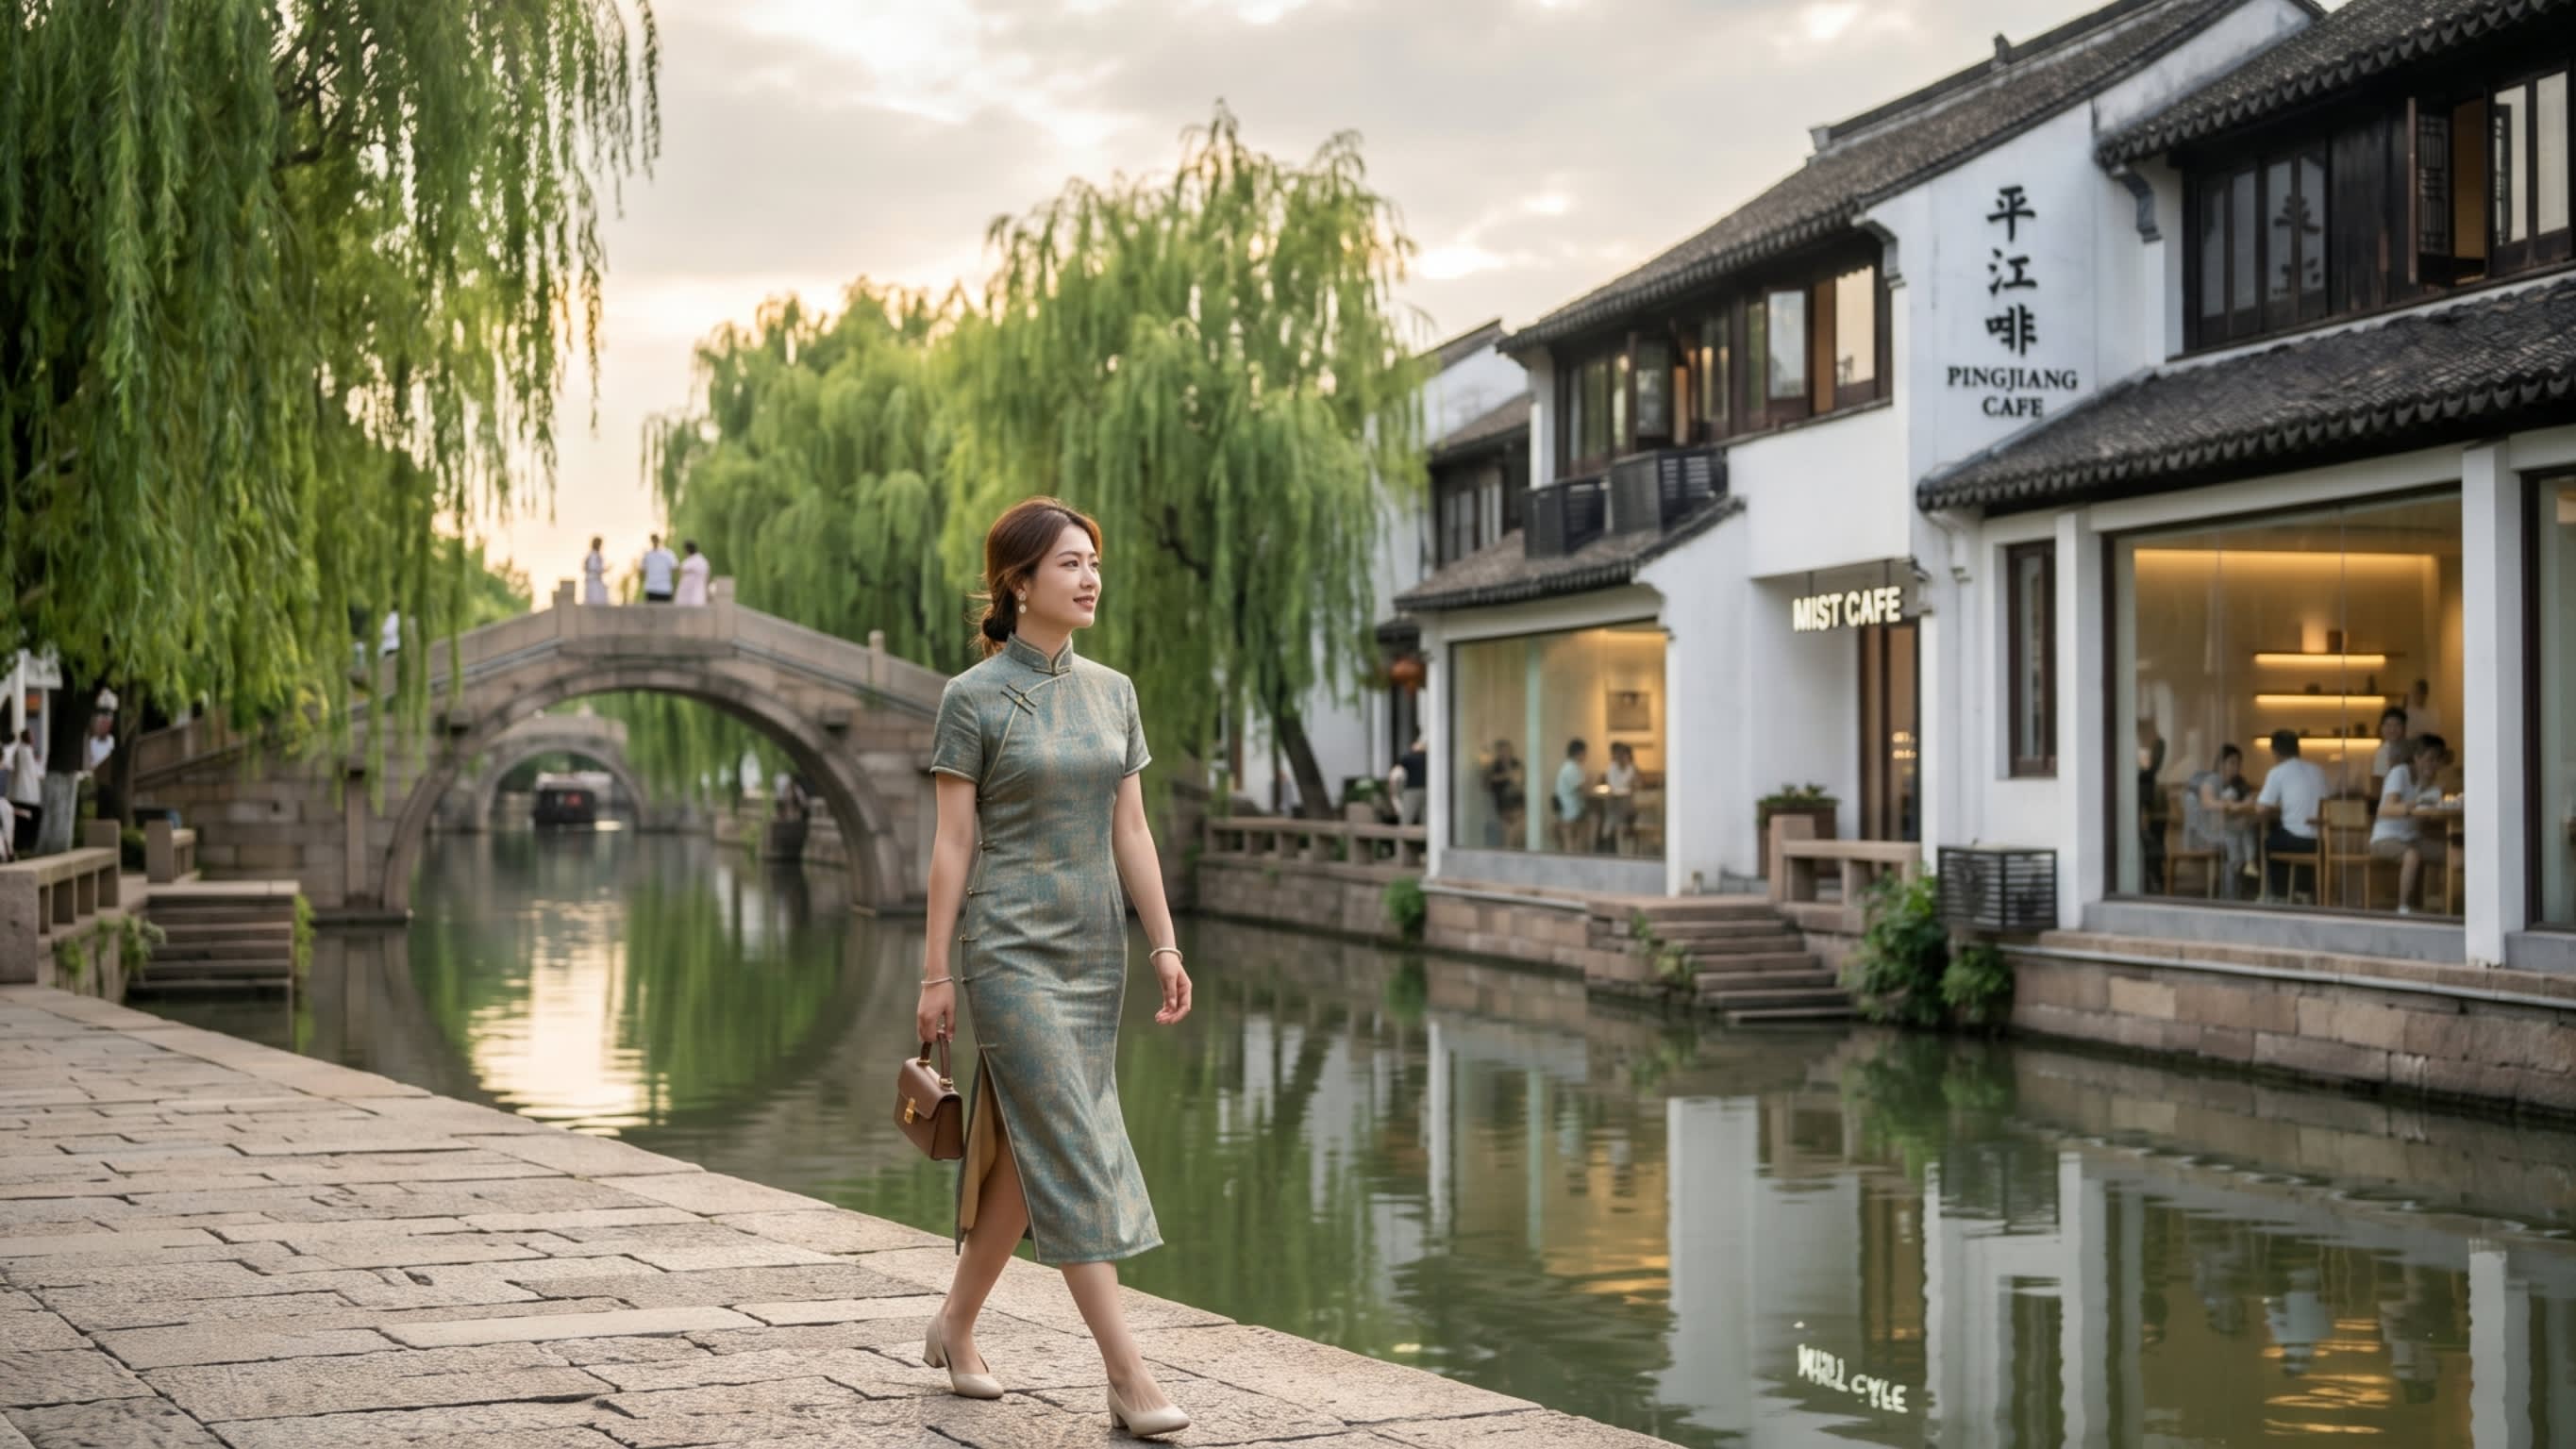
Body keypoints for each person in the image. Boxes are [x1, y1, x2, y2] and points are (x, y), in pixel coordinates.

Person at [915, 496, 1192, 1439]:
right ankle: (1127, 1374)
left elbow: (1132, 828)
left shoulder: (1114, 691)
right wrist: (933, 974)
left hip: (1093, 951)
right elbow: (953, 844)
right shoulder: (974, 698)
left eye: (1094, 563)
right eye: (1068, 564)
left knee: (1031, 1161)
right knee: (1073, 1144)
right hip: (1008, 953)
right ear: (1018, 583)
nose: (1088, 579)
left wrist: (1163, 943)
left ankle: (954, 1328)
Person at [2372, 733, 2451, 915]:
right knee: (2412, 855)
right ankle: (2403, 908)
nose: (2434, 765)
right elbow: (2385, 809)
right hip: (2385, 838)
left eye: (2438, 760)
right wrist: (2414, 805)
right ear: (2417, 758)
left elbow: (2429, 815)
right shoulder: (2399, 773)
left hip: (2413, 837)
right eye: (2430, 760)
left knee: (2450, 854)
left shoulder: (2434, 785)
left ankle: (2446, 906)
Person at [2255, 729, 2329, 901]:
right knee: (2294, 835)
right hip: (2321, 841)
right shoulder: (2318, 770)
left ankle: (2279, 894)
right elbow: (2326, 800)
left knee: (2270, 842)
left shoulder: (2277, 772)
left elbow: (2261, 808)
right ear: (2298, 749)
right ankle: (2303, 891)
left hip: (2296, 841)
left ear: (2275, 752)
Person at [2183, 743, 2259, 899]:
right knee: (2234, 838)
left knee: (2246, 830)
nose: (2236, 767)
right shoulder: (2212, 779)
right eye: (2232, 762)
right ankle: (2231, 893)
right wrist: (2230, 805)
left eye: (2238, 763)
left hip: (2223, 829)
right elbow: (2207, 802)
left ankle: (2241, 880)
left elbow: (2251, 801)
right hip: (2203, 834)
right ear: (2221, 763)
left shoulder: (2239, 783)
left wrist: (2241, 804)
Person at [5, 730, 42, 856]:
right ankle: (23, 846)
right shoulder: (22, 750)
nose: (33, 739)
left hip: (25, 794)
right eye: (31, 736)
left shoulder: (24, 750)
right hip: (24, 796)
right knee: (24, 823)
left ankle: (23, 846)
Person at [1483, 739, 1526, 846]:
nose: (1505, 753)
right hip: (1504, 808)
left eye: (1507, 750)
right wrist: (1507, 775)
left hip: (1519, 807)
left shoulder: (1516, 763)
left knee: (1520, 839)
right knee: (1508, 839)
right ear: (1498, 752)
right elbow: (1488, 782)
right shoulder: (1494, 766)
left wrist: (1513, 776)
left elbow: (1519, 781)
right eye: (1502, 751)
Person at [1551, 739, 1591, 853]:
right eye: (1585, 753)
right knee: (1589, 823)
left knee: (1571, 838)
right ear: (1579, 753)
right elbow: (1583, 790)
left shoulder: (1572, 767)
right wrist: (1589, 780)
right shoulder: (1571, 768)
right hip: (1570, 810)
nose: (1586, 756)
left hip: (1568, 808)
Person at [1603, 741, 1640, 855]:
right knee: (1616, 810)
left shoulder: (1632, 768)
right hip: (1615, 801)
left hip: (1628, 802)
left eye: (1626, 756)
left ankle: (1609, 828)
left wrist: (1634, 784)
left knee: (1622, 811)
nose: (1623, 759)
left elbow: (1637, 785)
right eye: (1620, 756)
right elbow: (1613, 786)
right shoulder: (1611, 768)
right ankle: (1612, 829)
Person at [1388, 736, 1427, 826]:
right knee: (1425, 817)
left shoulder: (1408, 758)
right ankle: (1425, 839)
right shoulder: (1429, 758)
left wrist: (1394, 794)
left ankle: (1401, 839)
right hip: (1427, 790)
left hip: (1411, 790)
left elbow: (1394, 775)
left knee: (1406, 817)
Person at [640, 534, 677, 604]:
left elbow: (642, 571)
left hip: (661, 588)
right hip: (656, 588)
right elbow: (675, 568)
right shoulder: (648, 555)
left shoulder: (667, 554)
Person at [675, 540, 711, 607]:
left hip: (693, 591)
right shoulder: (702, 560)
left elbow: (681, 570)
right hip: (694, 591)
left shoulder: (694, 561)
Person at [582, 537, 610, 606]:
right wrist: (604, 570)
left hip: (595, 581)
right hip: (593, 582)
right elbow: (593, 568)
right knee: (595, 602)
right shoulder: (593, 555)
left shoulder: (594, 555)